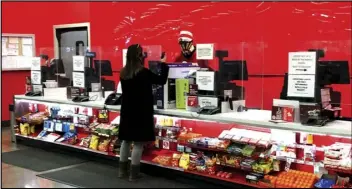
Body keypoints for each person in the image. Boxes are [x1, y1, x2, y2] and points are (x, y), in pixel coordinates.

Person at [118, 44, 169, 181]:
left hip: (127, 111)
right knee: (138, 143)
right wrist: (163, 64)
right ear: (139, 56)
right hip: (140, 112)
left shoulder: (123, 73)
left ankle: (122, 171)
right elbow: (161, 80)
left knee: (126, 141)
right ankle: (134, 174)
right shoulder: (144, 73)